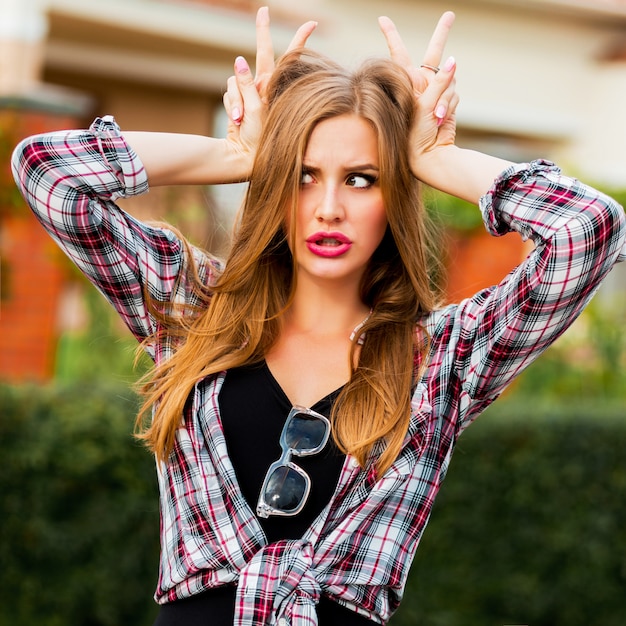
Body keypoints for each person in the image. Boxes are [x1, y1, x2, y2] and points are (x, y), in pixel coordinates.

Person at [11, 6, 626, 626]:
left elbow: (589, 231)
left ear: (394, 195)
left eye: (361, 179)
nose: (328, 207)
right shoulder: (194, 307)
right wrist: (236, 153)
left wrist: (435, 158)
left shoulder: (443, 359)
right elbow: (47, 173)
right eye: (304, 176)